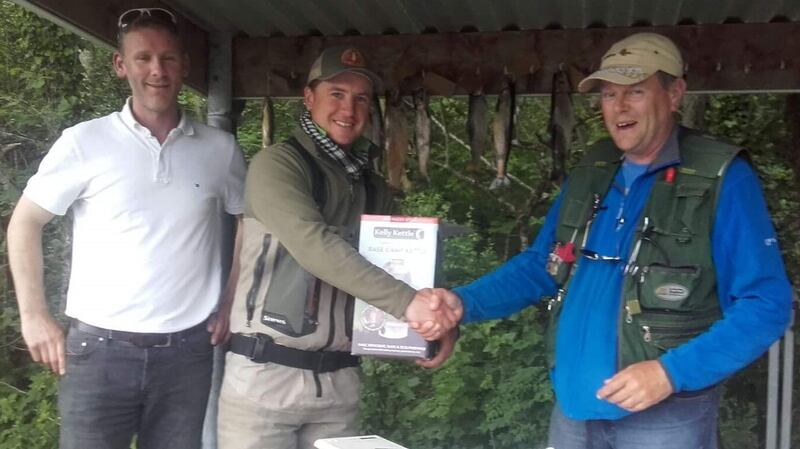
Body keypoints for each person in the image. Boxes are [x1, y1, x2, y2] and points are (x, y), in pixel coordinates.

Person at [420, 32, 793, 448]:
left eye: (635, 91)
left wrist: (670, 373)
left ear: (674, 94)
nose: (618, 106)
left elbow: (766, 304)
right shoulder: (594, 168)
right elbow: (540, 265)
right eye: (609, 94)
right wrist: (464, 303)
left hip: (666, 420)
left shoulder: (721, 175)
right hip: (575, 409)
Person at [7, 8, 246, 449]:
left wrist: (232, 298)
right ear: (121, 65)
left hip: (187, 355)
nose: (157, 70)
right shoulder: (84, 142)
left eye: (169, 58)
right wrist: (34, 315)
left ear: (185, 65)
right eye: (143, 58)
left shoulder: (220, 150)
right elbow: (25, 223)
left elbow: (248, 218)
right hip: (98, 354)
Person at [217, 46, 460, 449]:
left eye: (361, 98)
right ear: (309, 98)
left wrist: (434, 327)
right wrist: (410, 304)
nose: (349, 109)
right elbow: (315, 246)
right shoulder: (277, 165)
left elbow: (394, 265)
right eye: (337, 94)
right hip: (263, 381)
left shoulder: (371, 185)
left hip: (338, 386)